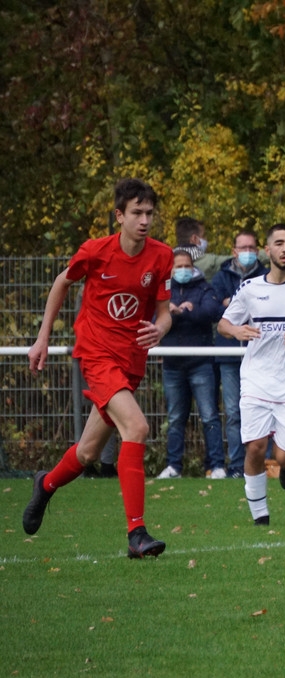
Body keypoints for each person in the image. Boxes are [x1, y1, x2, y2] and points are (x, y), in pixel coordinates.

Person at [23, 177, 173, 558]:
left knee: (88, 453)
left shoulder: (161, 256)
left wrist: (159, 330)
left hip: (131, 362)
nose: (144, 220)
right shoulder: (95, 251)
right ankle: (136, 534)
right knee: (136, 426)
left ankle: (46, 484)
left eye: (149, 213)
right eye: (136, 213)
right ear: (119, 215)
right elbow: (61, 283)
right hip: (96, 354)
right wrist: (42, 339)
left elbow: (163, 314)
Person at [216, 223, 285, 525]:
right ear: (268, 250)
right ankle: (260, 516)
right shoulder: (250, 289)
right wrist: (237, 329)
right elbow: (223, 325)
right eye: (278, 243)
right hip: (256, 379)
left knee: (284, 459)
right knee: (254, 446)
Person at [156, 249, 227, 479]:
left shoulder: (204, 287)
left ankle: (216, 466)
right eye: (179, 267)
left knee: (209, 416)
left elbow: (212, 312)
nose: (184, 271)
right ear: (171, 269)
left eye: (187, 266)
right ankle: (174, 466)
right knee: (175, 418)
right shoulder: (163, 290)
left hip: (201, 363)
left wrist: (181, 312)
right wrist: (174, 312)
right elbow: (153, 318)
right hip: (172, 365)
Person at [212, 231, 269, 478]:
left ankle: (263, 465)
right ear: (234, 251)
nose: (247, 252)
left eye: (251, 247)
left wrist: (232, 303)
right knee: (234, 412)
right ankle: (236, 465)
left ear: (257, 251)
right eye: (242, 247)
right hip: (228, 356)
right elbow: (212, 308)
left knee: (265, 411)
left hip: (261, 355)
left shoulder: (267, 277)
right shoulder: (221, 277)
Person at [174, 216, 230, 282]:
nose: (206, 240)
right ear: (194, 238)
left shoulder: (167, 261)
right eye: (203, 236)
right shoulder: (211, 262)